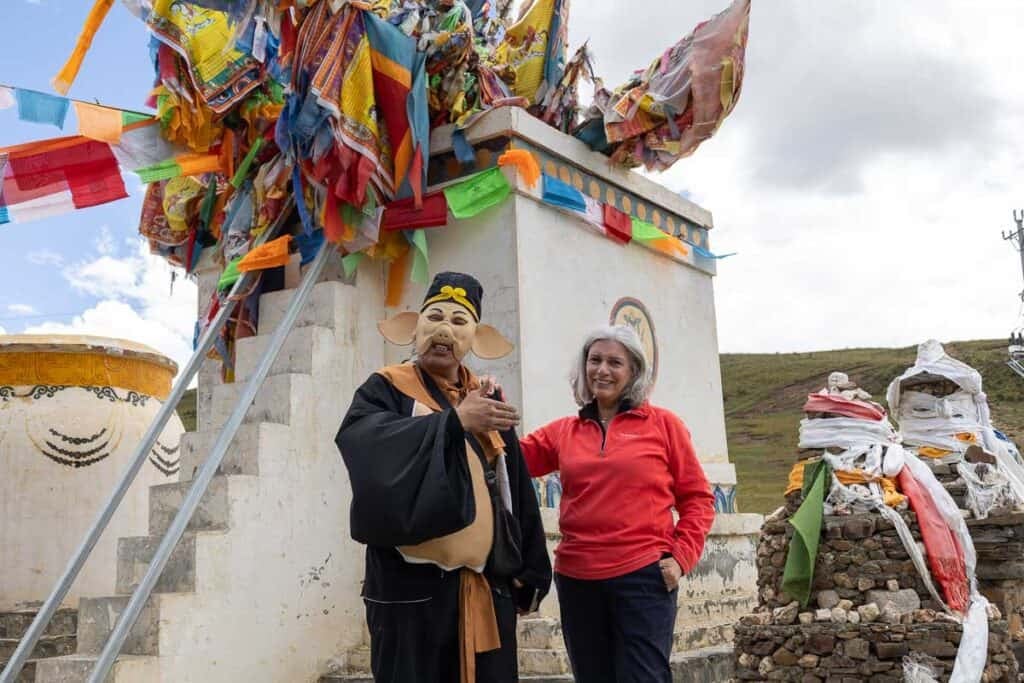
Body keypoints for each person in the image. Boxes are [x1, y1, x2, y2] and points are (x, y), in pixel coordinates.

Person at [335, 272, 552, 683]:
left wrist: (532, 572)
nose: (443, 330)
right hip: (412, 594)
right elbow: (364, 447)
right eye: (434, 317)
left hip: (486, 589)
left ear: (475, 339)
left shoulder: (486, 398)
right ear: (412, 328)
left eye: (457, 322)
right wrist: (453, 423)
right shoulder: (386, 389)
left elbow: (514, 485)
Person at [520, 325, 715, 683]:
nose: (602, 370)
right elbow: (511, 460)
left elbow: (698, 499)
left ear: (634, 372)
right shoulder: (564, 431)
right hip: (577, 578)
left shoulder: (664, 426)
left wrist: (682, 557)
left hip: (643, 576)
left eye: (614, 362)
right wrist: (478, 407)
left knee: (643, 677)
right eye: (595, 360)